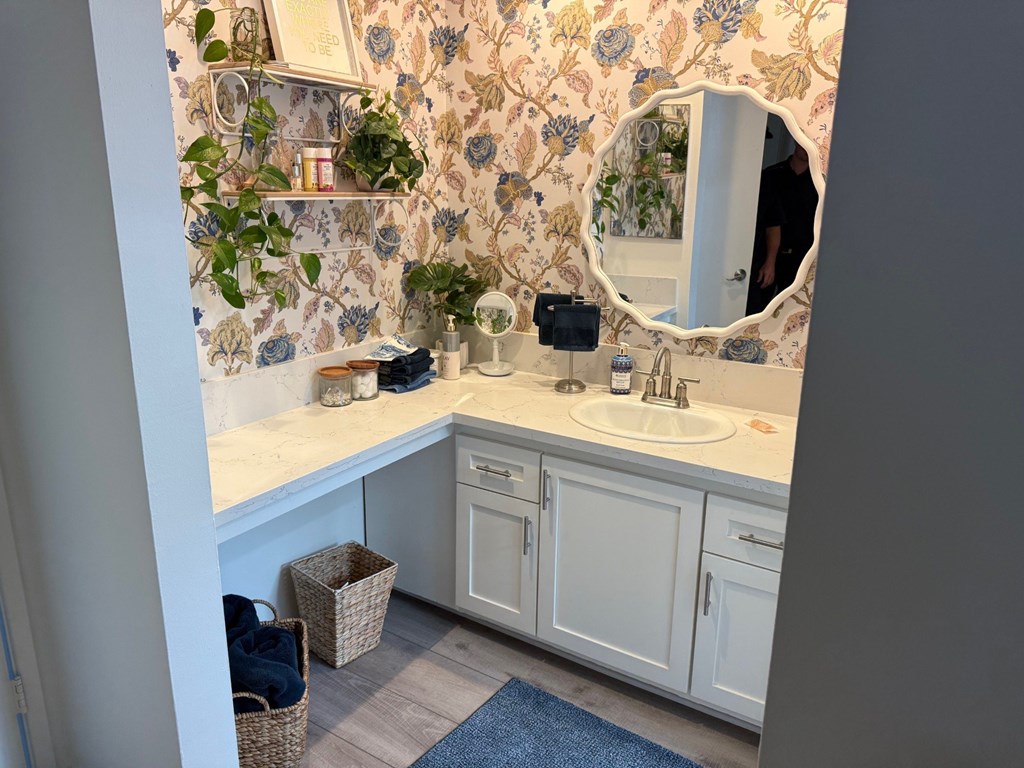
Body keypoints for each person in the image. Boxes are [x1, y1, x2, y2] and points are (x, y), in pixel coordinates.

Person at [746, 144, 819, 315]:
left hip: (801, 254)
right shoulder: (771, 174)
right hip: (767, 253)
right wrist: (769, 260)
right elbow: (768, 219)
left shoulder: (819, 182)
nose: (807, 149)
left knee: (792, 309)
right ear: (796, 142)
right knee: (758, 308)